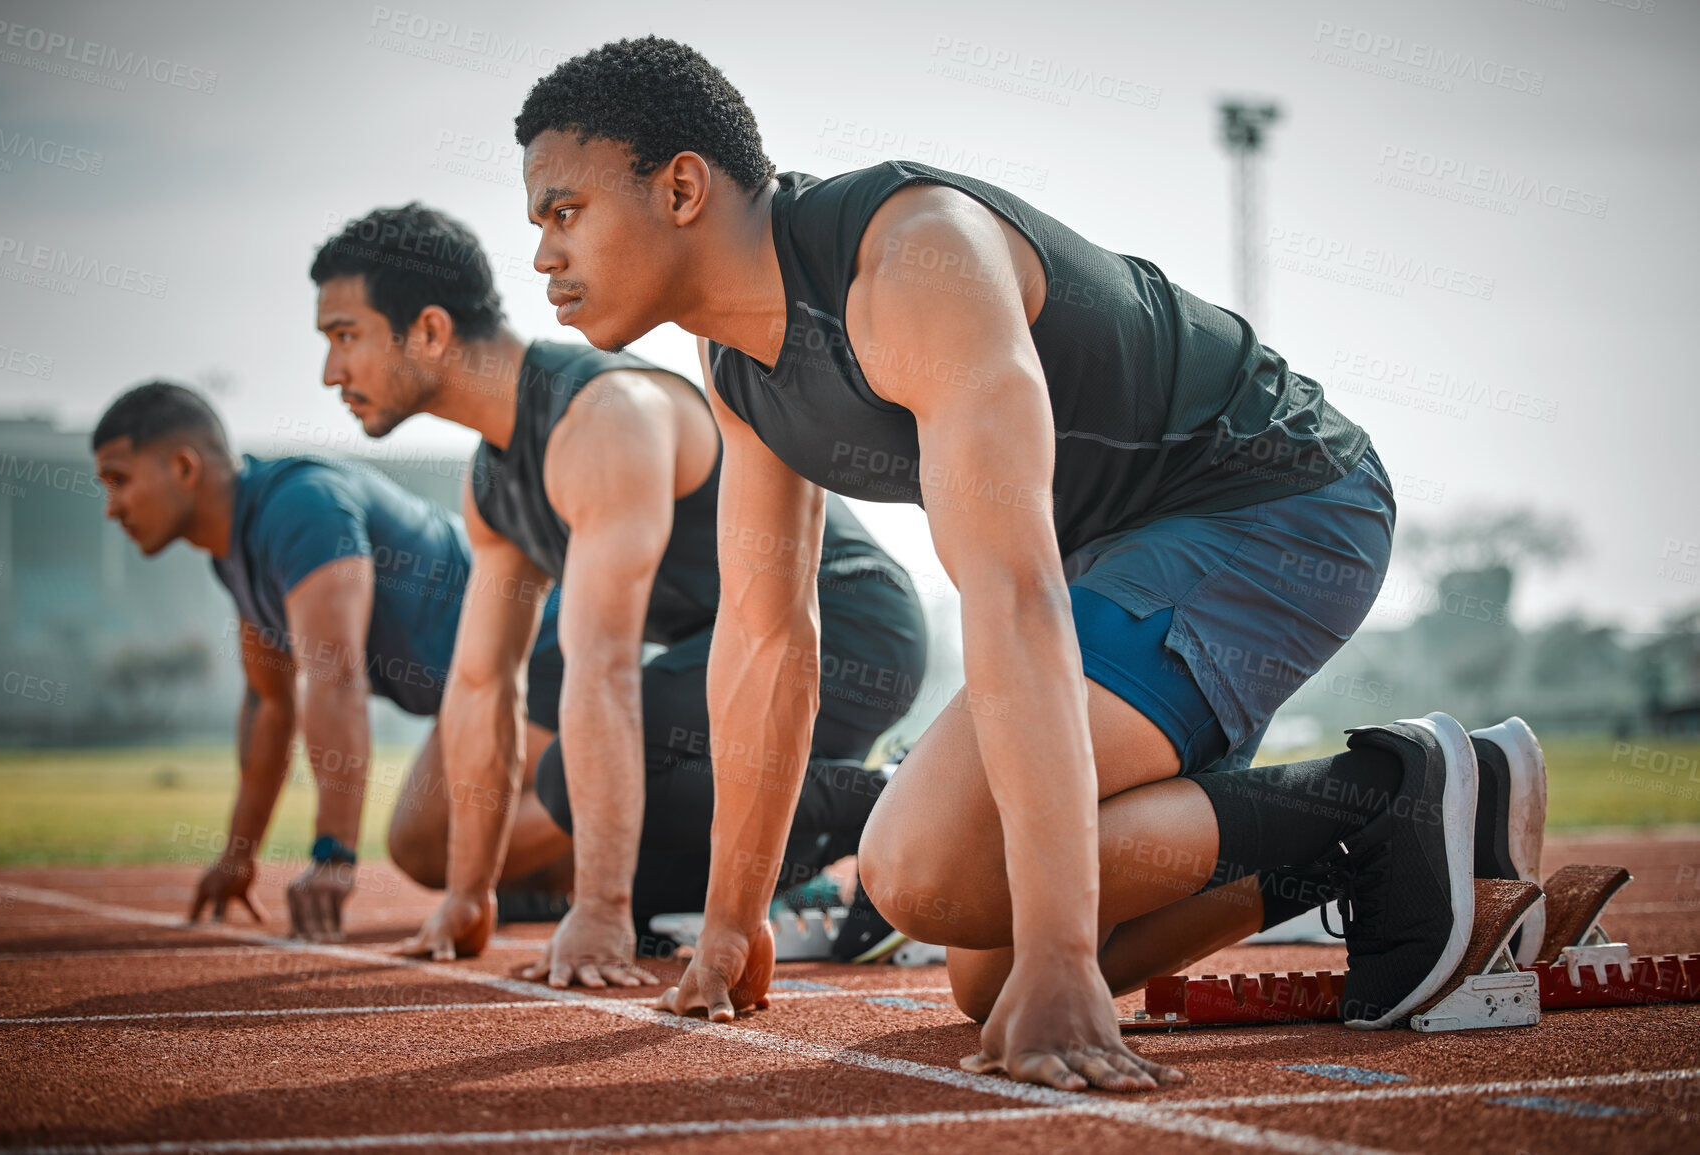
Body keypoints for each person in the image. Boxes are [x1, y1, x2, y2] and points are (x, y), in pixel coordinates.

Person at [510, 36, 1519, 1088]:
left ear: (680, 188)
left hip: (1276, 504)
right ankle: (1354, 835)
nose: (542, 255)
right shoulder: (738, 370)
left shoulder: (911, 261)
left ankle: (1402, 787)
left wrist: (1066, 955)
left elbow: (1012, 592)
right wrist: (730, 923)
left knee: (924, 871)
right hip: (1116, 562)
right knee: (986, 978)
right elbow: (768, 644)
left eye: (563, 212)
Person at [309, 203, 928, 980]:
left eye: (343, 336)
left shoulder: (606, 414)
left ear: (429, 331)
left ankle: (888, 800)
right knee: (642, 876)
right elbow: (479, 686)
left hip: (849, 622)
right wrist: (469, 893)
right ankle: (797, 870)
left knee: (571, 777)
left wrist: (593, 910)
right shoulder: (492, 480)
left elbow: (601, 671)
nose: (331, 373)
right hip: (730, 650)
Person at [91, 381, 568, 940]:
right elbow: (270, 707)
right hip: (478, 676)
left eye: (119, 481)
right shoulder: (237, 555)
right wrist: (237, 855)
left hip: (541, 639)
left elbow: (334, 676)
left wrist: (333, 855)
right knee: (422, 846)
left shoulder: (300, 506)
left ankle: (642, 793)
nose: (112, 508)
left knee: (439, 839)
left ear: (183, 467)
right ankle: (624, 870)